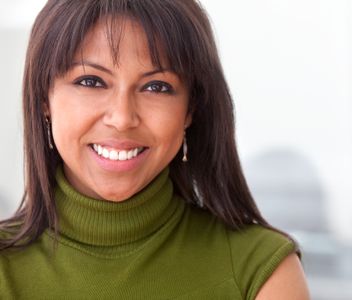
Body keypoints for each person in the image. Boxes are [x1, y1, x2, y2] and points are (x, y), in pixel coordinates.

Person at [0, 0, 309, 299]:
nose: (122, 119)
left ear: (191, 109)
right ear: (44, 98)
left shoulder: (260, 271)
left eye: (156, 87)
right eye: (91, 81)